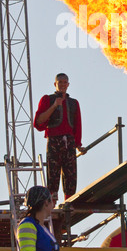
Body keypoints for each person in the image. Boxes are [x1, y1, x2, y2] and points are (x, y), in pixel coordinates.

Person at [34, 73, 86, 205]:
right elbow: (38, 122)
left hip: (69, 142)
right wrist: (54, 106)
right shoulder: (48, 99)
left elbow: (77, 125)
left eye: (64, 82)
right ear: (55, 84)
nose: (62, 84)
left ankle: (68, 204)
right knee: (53, 174)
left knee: (71, 175)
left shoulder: (74, 103)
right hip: (54, 141)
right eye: (60, 82)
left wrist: (78, 144)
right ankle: (51, 205)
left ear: (68, 84)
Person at [17, 186, 59, 251]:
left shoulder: (41, 227)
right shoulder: (28, 225)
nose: (53, 205)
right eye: (51, 201)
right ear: (46, 202)